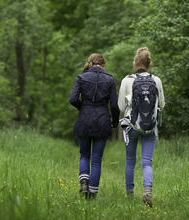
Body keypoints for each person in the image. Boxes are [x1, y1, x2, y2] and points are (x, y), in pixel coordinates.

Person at [118, 47, 165, 206]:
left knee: (130, 161)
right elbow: (162, 105)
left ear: (135, 62)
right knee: (147, 162)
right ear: (149, 63)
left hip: (131, 125)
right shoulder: (156, 80)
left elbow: (121, 108)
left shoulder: (126, 80)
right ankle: (147, 193)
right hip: (150, 126)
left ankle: (129, 194)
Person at [69, 53, 120, 199]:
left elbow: (72, 99)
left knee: (84, 155)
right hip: (103, 121)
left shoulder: (81, 77)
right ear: (103, 64)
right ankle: (92, 195)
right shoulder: (109, 79)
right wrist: (115, 122)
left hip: (84, 119)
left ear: (90, 63)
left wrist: (82, 107)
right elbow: (114, 106)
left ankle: (84, 183)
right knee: (96, 159)